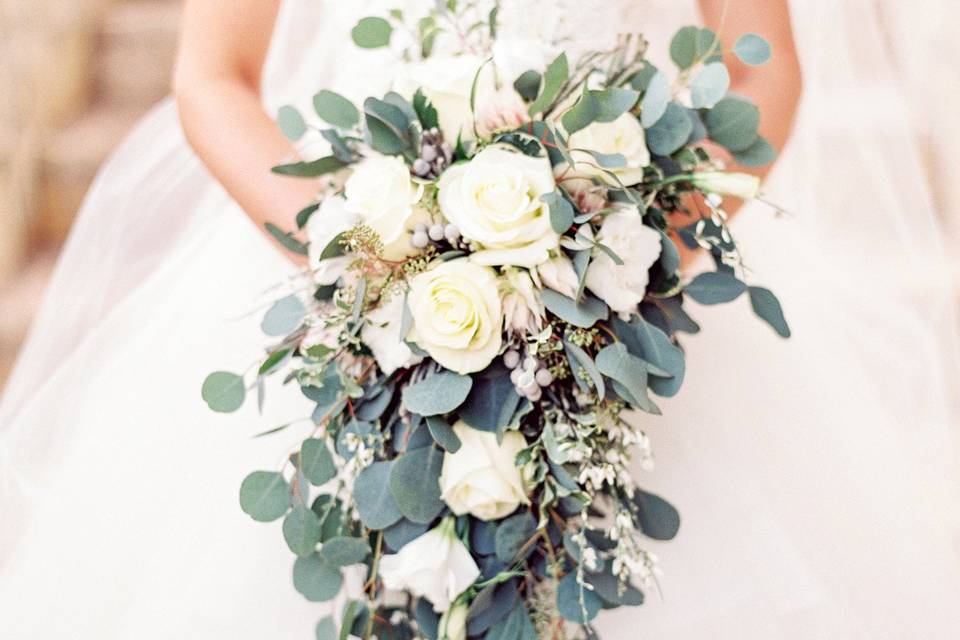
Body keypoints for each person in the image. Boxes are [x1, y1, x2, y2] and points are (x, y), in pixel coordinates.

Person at [0, 0, 957, 638]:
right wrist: (378, 265)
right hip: (349, 285)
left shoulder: (619, 272)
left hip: (618, 321)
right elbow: (213, 76)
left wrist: (614, 259)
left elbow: (766, 73)